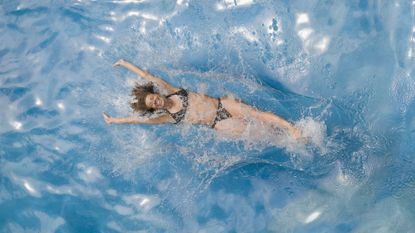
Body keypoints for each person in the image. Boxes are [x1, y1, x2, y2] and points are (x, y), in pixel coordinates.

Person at [103, 59, 303, 140]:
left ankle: (292, 128)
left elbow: (146, 75)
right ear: (154, 109)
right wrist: (114, 120)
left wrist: (124, 63)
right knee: (260, 133)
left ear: (155, 94)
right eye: (152, 104)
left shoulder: (172, 90)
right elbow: (139, 120)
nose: (156, 102)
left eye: (153, 98)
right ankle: (288, 139)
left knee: (258, 115)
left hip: (222, 104)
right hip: (219, 123)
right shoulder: (168, 118)